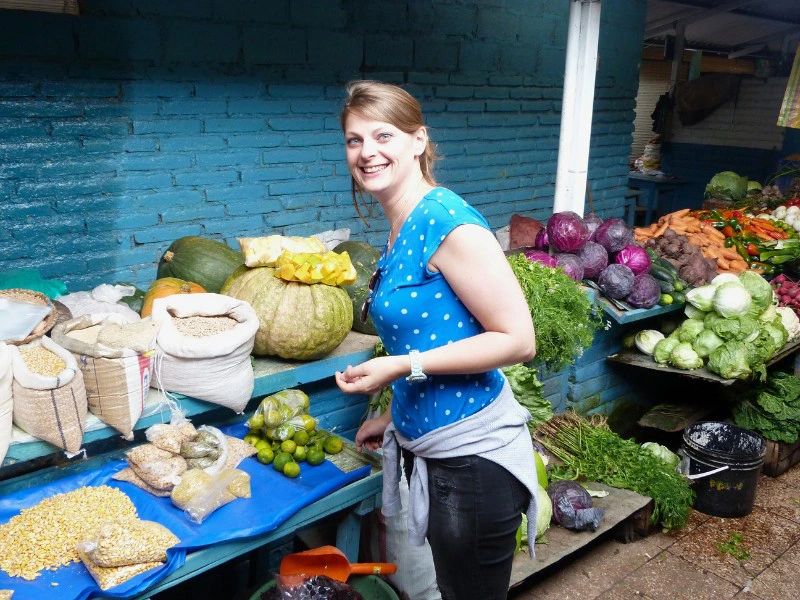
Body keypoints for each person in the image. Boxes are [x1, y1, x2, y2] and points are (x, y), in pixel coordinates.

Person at [334, 80, 539, 600]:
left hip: (473, 462)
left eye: (383, 135)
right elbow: (435, 332)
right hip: (438, 451)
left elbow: (517, 340)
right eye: (355, 140)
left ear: (418, 140)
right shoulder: (399, 225)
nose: (367, 152)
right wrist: (391, 417)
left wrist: (400, 368)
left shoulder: (446, 222)